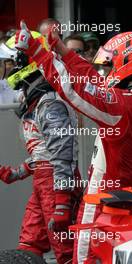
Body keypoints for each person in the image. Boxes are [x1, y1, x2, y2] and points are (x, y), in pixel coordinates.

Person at [15, 22, 132, 263]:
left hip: (102, 206)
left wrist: (37, 52)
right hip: (128, 200)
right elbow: (94, 81)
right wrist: (62, 50)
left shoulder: (127, 106)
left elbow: (74, 88)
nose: (106, 72)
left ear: (127, 63)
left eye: (110, 65)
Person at [0, 32, 82, 263]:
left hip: (57, 185)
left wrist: (63, 200)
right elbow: (44, 153)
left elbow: (62, 154)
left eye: (7, 62)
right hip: (45, 183)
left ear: (23, 62)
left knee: (66, 251)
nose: (4, 68)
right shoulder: (37, 99)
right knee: (29, 246)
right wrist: (17, 172)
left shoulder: (49, 102)